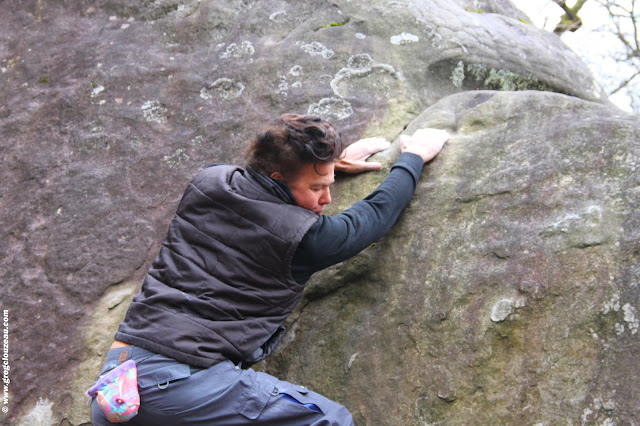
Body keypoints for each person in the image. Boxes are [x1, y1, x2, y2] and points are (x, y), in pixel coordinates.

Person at [90, 114, 449, 425]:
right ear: (279, 177)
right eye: (317, 188)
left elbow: (257, 187)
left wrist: (326, 168)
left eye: (329, 186)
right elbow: (371, 219)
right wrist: (413, 158)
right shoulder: (305, 239)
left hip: (119, 382)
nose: (327, 198)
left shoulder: (209, 182)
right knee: (328, 420)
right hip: (179, 387)